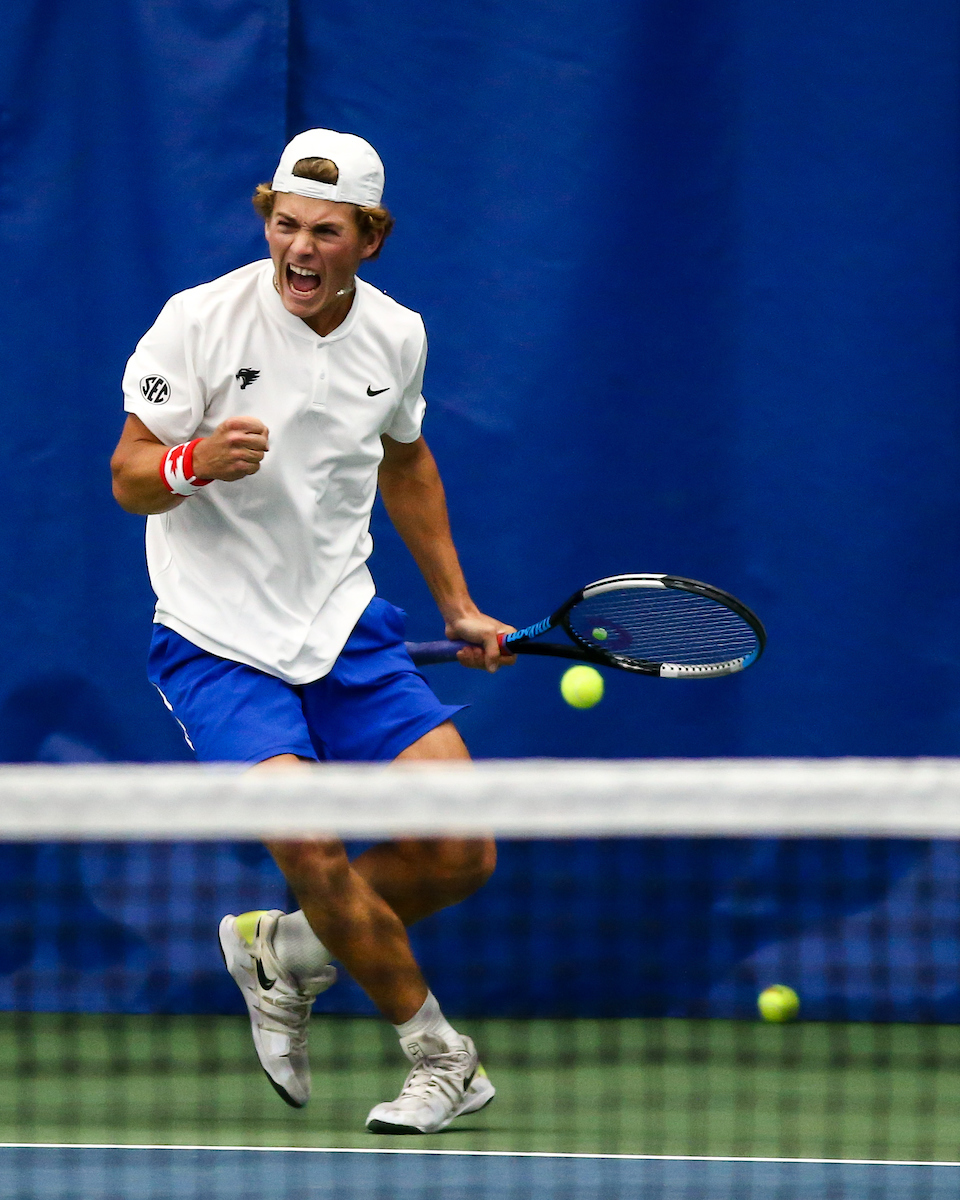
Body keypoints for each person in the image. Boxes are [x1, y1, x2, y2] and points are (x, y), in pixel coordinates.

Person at [110, 128, 515, 1135]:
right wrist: (194, 462)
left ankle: (282, 950)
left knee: (463, 850)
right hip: (215, 638)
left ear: (368, 240)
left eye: (325, 232)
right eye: (284, 224)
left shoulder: (397, 335)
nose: (299, 247)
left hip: (342, 623)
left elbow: (405, 460)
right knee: (310, 842)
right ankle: (440, 1055)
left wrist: (458, 604)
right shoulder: (198, 322)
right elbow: (128, 475)